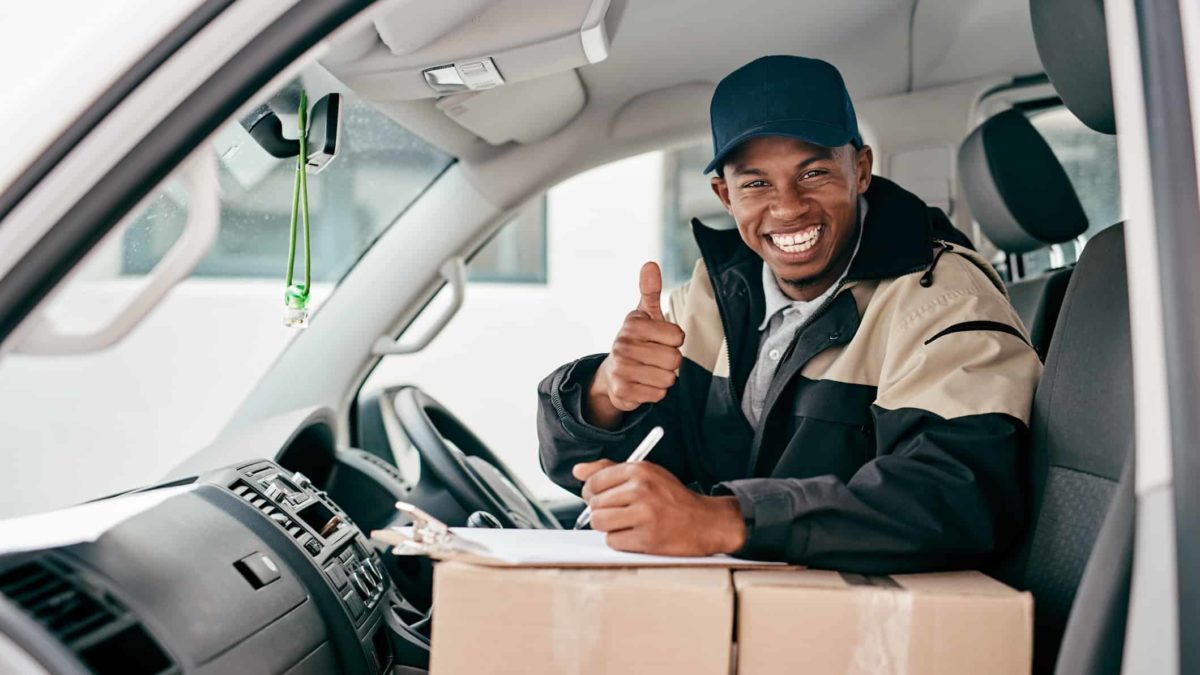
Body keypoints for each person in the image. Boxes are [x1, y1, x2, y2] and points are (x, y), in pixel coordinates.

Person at [536, 55, 1042, 572]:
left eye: (815, 172)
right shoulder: (710, 297)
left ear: (861, 170)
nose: (788, 206)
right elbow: (591, 467)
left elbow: (959, 496)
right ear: (724, 196)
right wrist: (606, 395)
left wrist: (724, 521)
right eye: (756, 184)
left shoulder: (940, 297)